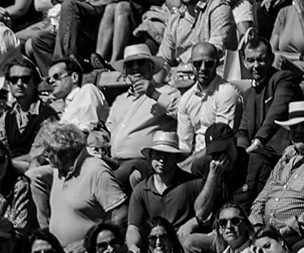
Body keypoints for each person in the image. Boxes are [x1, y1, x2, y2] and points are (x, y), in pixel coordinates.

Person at [32, 122, 126, 253]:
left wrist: (87, 244)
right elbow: (34, 176)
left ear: (65, 152)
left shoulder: (96, 171)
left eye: (49, 150)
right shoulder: (58, 170)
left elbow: (122, 215)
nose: (46, 154)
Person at [249, 100, 304, 248]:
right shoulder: (287, 156)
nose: (299, 131)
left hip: (296, 235)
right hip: (265, 230)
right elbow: (264, 194)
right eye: (294, 126)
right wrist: (257, 223)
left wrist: (287, 228)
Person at [235, 37, 299, 209]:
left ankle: (249, 211)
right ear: (244, 61)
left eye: (261, 60)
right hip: (257, 153)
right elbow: (243, 130)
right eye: (250, 60)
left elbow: (277, 111)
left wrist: (258, 141)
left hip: (280, 152)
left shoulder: (283, 79)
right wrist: (240, 152)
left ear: (271, 58)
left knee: (253, 163)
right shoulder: (248, 94)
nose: (256, 65)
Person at [105, 45, 179, 186]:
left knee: (111, 180)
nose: (135, 67)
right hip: (114, 160)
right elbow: (110, 130)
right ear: (125, 71)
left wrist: (154, 94)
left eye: (140, 63)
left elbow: (185, 113)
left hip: (146, 161)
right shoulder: (120, 100)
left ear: (151, 67)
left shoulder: (166, 92)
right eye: (130, 64)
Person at [156, 0, 237, 80]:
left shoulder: (218, 9)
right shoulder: (175, 20)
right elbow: (163, 59)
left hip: (215, 79)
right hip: (181, 80)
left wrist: (181, 66)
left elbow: (214, 51)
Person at [176, 43, 240, 162]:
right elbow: (184, 142)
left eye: (209, 63)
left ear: (217, 63)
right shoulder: (186, 98)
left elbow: (222, 140)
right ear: (191, 64)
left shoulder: (226, 93)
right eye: (197, 63)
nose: (203, 68)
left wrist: (189, 162)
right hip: (194, 157)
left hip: (220, 156)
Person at [47, 58, 105, 133]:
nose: (51, 81)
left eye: (56, 76)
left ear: (74, 77)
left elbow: (89, 128)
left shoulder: (87, 91)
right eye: (48, 80)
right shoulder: (65, 107)